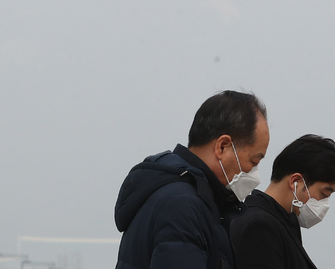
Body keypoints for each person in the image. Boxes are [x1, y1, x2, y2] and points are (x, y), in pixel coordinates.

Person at [114, 90, 270, 269]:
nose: (254, 172)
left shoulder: (183, 196)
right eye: (254, 161)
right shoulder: (183, 206)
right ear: (223, 147)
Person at [230, 134, 335, 269]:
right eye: (323, 194)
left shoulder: (281, 224)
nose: (325, 204)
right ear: (296, 182)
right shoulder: (260, 227)